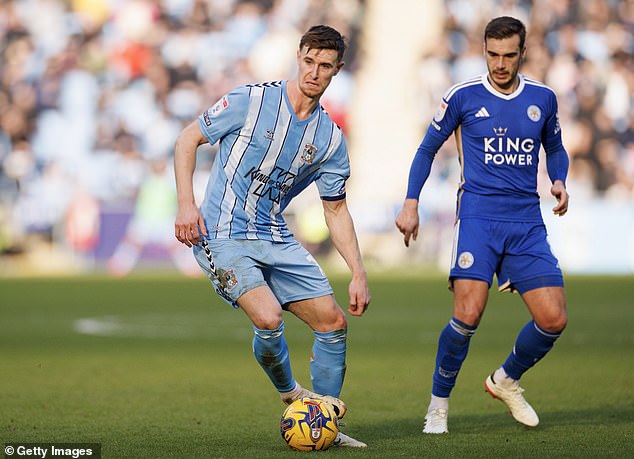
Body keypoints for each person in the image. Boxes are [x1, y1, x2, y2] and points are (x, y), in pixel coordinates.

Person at [174, 25, 370, 447]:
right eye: (309, 61)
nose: (314, 72)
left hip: (274, 236)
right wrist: (187, 205)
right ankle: (292, 395)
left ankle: (324, 423)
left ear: (337, 72)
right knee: (268, 317)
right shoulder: (251, 100)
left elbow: (335, 209)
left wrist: (358, 271)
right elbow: (188, 139)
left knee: (333, 322)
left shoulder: (330, 139)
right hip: (221, 234)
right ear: (298, 57)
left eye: (325, 66)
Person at [395, 16, 569, 434]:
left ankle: (506, 380)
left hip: (526, 221)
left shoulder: (543, 98)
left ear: (522, 53)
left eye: (509, 55)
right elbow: (427, 149)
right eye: (493, 54)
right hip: (478, 217)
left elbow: (555, 147)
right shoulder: (463, 96)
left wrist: (560, 179)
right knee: (468, 314)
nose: (500, 63)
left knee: (554, 319)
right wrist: (411, 202)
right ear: (483, 51)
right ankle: (438, 405)